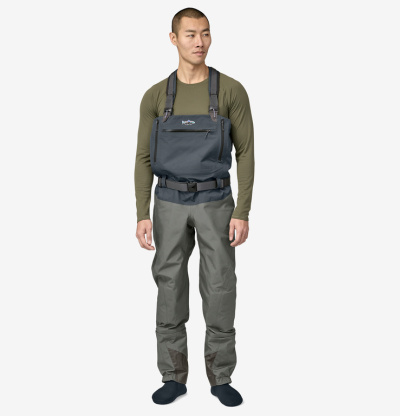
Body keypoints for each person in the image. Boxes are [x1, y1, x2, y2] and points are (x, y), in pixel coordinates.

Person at [134, 7, 255, 407]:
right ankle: (173, 376)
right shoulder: (156, 95)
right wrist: (142, 212)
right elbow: (143, 158)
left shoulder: (231, 90)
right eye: (190, 34)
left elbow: (246, 153)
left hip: (216, 202)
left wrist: (242, 211)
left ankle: (221, 378)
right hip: (168, 202)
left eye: (205, 33)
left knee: (219, 286)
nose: (199, 41)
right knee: (169, 286)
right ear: (174, 39)